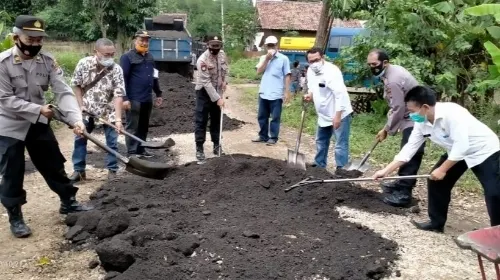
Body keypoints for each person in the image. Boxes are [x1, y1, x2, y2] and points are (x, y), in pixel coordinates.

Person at [0, 15, 92, 238]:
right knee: (12, 171)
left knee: (53, 162)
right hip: (9, 124)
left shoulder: (48, 62)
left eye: (39, 40)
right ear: (15, 37)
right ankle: (15, 216)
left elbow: (63, 92)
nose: (35, 44)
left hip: (38, 123)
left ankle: (68, 201)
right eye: (30, 39)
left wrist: (76, 119)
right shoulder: (2, 63)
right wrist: (38, 109)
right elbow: (4, 99)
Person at [373, 86, 500, 232]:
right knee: (436, 181)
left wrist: (443, 169)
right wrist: (386, 171)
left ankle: (496, 235)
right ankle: (436, 223)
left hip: (484, 150)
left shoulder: (453, 114)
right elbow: (409, 149)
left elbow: (462, 145)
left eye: (413, 111)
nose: (411, 115)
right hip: (456, 151)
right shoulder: (422, 122)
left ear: (425, 107)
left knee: (494, 193)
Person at [367, 49, 424, 207]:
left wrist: (387, 130)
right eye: (369, 65)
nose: (372, 67)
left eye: (375, 64)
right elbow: (396, 105)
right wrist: (386, 127)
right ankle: (400, 183)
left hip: (417, 116)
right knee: (408, 148)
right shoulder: (390, 73)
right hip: (409, 114)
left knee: (411, 151)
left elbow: (398, 107)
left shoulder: (393, 79)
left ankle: (404, 193)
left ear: (385, 62)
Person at [69, 38, 125, 183]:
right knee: (80, 139)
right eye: (106, 55)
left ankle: (112, 169)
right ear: (96, 52)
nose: (110, 58)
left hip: (108, 110)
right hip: (86, 109)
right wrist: (80, 105)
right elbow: (76, 85)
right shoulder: (84, 64)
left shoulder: (116, 69)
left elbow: (119, 94)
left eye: (112, 54)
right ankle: (79, 170)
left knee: (112, 142)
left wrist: (118, 119)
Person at [304, 47, 353, 170]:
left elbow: (340, 94)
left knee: (340, 144)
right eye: (311, 61)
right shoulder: (310, 71)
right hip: (323, 113)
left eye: (317, 60)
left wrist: (337, 116)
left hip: (339, 112)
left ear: (323, 57)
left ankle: (341, 169)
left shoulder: (332, 71)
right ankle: (319, 165)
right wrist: (310, 95)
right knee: (321, 140)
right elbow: (312, 86)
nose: (314, 63)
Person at [120, 30, 163, 158]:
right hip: (134, 98)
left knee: (144, 126)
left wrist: (159, 93)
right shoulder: (127, 57)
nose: (144, 42)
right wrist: (125, 98)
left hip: (147, 98)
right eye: (141, 40)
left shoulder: (150, 57)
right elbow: (123, 78)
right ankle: (132, 152)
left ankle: (141, 149)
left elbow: (154, 77)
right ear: (135, 40)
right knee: (132, 125)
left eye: (146, 40)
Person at [194, 35, 228, 162]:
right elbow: (206, 83)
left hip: (217, 91)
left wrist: (225, 81)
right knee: (201, 121)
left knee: (216, 120)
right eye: (213, 45)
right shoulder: (202, 60)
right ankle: (199, 148)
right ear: (208, 45)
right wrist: (217, 99)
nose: (215, 48)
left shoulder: (222, 55)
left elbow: (225, 70)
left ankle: (216, 145)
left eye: (218, 45)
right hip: (203, 93)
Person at [252, 35, 291, 145]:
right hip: (264, 91)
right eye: (268, 46)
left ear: (276, 46)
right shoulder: (263, 58)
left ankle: (273, 137)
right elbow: (258, 71)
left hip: (276, 93)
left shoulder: (284, 59)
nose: (270, 48)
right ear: (265, 46)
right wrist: (267, 60)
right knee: (262, 116)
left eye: (272, 45)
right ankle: (263, 135)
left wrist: (287, 91)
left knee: (275, 117)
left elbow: (287, 75)